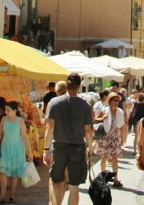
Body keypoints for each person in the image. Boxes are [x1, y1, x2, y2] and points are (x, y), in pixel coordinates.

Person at [43, 72, 94, 205]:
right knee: (74, 187)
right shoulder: (85, 105)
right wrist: (91, 147)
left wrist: (46, 150)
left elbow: (50, 129)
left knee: (56, 181)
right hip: (77, 147)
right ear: (79, 87)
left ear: (66, 84)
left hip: (59, 146)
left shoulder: (54, 102)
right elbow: (88, 130)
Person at [0, 101, 33, 203]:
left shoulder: (20, 121)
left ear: (15, 111)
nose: (6, 112)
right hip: (5, 148)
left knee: (14, 173)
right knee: (3, 171)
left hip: (17, 149)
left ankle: (12, 194)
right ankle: (2, 196)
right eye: (6, 110)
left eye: (8, 110)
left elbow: (25, 137)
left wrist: (29, 152)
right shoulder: (3, 119)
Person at [94, 92, 126, 185]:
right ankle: (103, 178)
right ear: (110, 101)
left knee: (115, 158)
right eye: (114, 100)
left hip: (114, 137)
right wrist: (102, 118)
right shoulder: (104, 110)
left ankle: (115, 179)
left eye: (118, 100)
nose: (116, 102)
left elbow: (121, 126)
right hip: (105, 137)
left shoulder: (120, 111)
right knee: (104, 158)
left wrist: (122, 139)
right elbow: (95, 120)